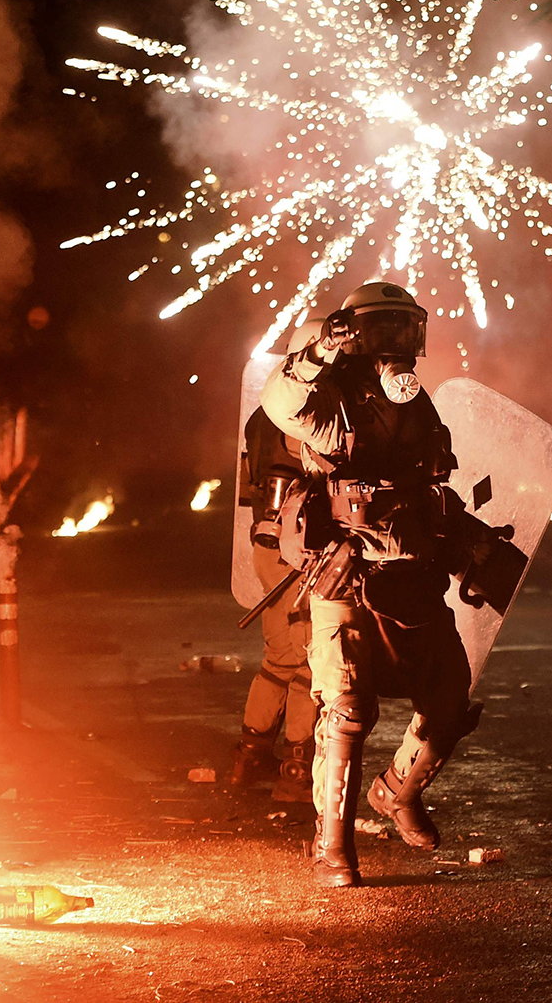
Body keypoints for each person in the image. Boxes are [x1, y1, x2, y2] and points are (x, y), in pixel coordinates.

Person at [260, 280, 484, 888]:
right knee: (348, 710)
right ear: (352, 335)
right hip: (349, 574)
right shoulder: (333, 401)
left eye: (405, 329)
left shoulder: (418, 402)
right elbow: (280, 403)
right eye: (380, 330)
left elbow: (432, 483)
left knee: (449, 702)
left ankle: (398, 792)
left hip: (414, 573)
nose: (396, 343)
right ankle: (332, 846)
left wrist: (466, 540)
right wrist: (316, 355)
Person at [229, 319, 326, 804]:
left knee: (278, 658)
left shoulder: (263, 411)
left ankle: (249, 758)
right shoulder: (301, 413)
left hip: (267, 550)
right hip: (300, 555)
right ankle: (295, 769)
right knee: (313, 661)